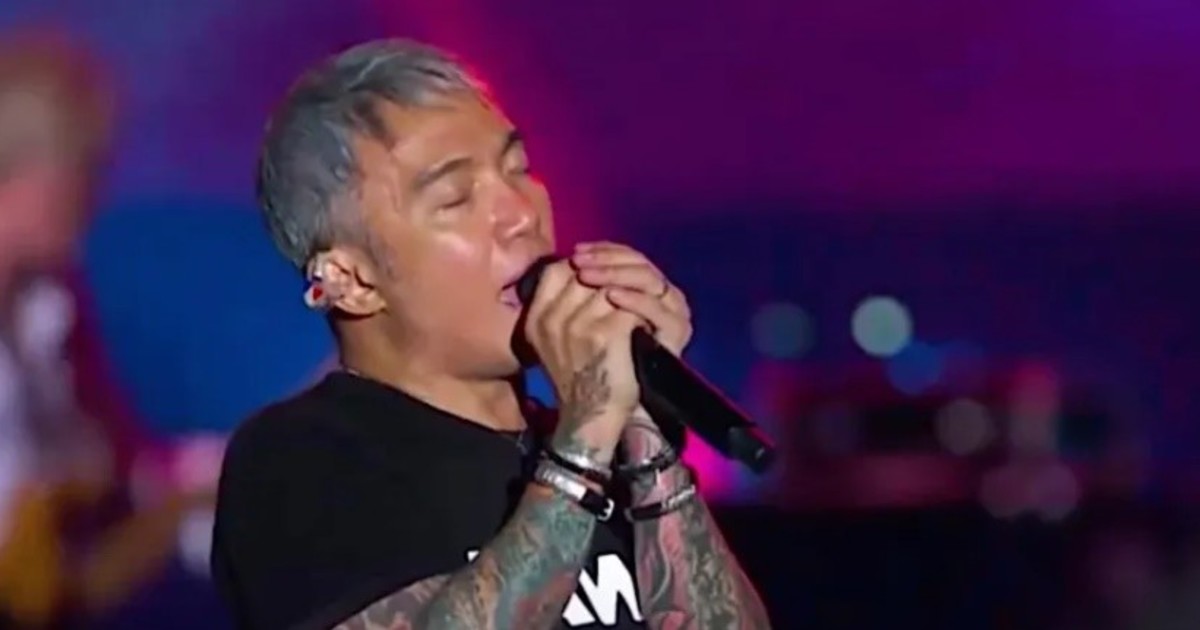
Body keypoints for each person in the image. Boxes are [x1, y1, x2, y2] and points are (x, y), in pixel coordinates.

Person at [210, 38, 771, 630]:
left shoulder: (602, 445)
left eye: (518, 168)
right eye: (455, 198)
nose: (521, 213)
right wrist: (582, 446)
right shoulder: (301, 459)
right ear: (350, 281)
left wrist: (637, 422)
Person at [0, 31, 219, 628]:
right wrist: (177, 509)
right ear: (36, 176)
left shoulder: (48, 311)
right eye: (89, 171)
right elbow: (42, 591)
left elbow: (114, 459)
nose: (97, 198)